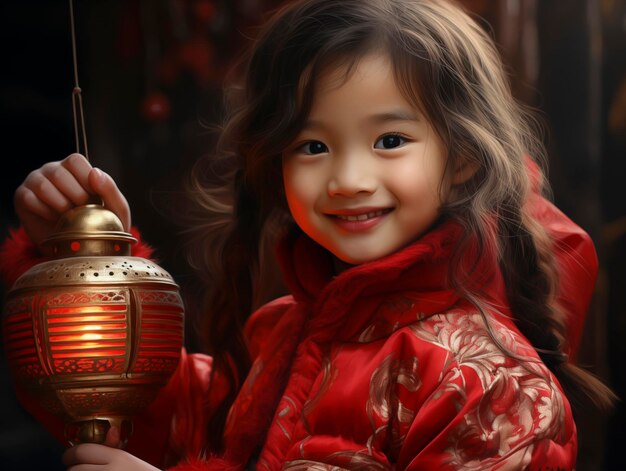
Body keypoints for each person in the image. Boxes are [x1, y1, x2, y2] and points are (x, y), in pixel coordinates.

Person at [1, 0, 616, 469]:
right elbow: (174, 427)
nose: (348, 179)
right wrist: (81, 262)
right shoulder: (279, 333)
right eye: (313, 145)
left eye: (390, 141)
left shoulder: (486, 386)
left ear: (462, 158)